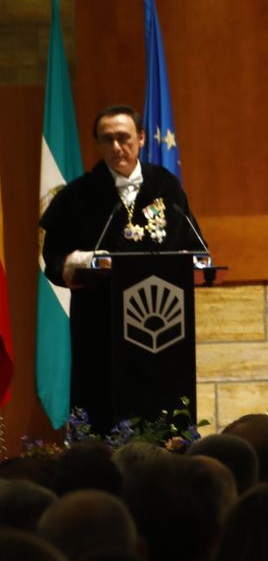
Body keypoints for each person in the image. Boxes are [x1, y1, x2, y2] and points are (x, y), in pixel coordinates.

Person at [38, 104, 205, 430]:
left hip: (162, 328)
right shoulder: (78, 195)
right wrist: (77, 262)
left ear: (141, 138)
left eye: (124, 138)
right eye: (107, 139)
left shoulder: (165, 187)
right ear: (97, 143)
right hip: (100, 328)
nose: (116, 147)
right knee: (102, 410)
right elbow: (53, 260)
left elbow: (193, 243)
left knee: (164, 412)